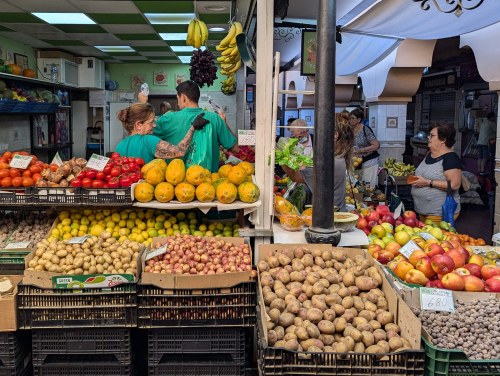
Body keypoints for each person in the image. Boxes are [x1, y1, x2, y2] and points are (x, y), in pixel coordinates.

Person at [153, 80, 239, 172]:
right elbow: (236, 149)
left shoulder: (166, 119)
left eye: (177, 99)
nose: (178, 103)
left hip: (174, 182)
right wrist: (224, 124)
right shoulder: (215, 119)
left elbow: (148, 143)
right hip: (207, 181)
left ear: (183, 98)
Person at [281, 112, 354, 212]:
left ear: (335, 135)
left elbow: (296, 176)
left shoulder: (329, 162)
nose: (319, 134)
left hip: (330, 218)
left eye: (322, 131)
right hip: (333, 214)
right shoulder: (337, 157)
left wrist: (281, 157)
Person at [115, 102, 208, 163]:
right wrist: (193, 128)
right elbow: (179, 151)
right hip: (147, 190)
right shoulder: (148, 140)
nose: (154, 125)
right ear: (138, 125)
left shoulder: (119, 146)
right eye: (151, 122)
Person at [410, 122, 462, 224]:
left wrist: (428, 182)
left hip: (439, 212)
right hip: (423, 210)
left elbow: (455, 185)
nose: (428, 138)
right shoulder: (429, 154)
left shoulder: (451, 158)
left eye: (432, 135)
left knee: (434, 239)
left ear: (443, 140)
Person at [350, 108, 380, 188]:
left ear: (359, 119)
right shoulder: (350, 130)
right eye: (350, 118)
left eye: (353, 118)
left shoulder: (365, 129)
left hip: (369, 161)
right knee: (357, 187)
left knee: (368, 187)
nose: (350, 120)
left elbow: (376, 145)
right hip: (357, 162)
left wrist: (361, 150)